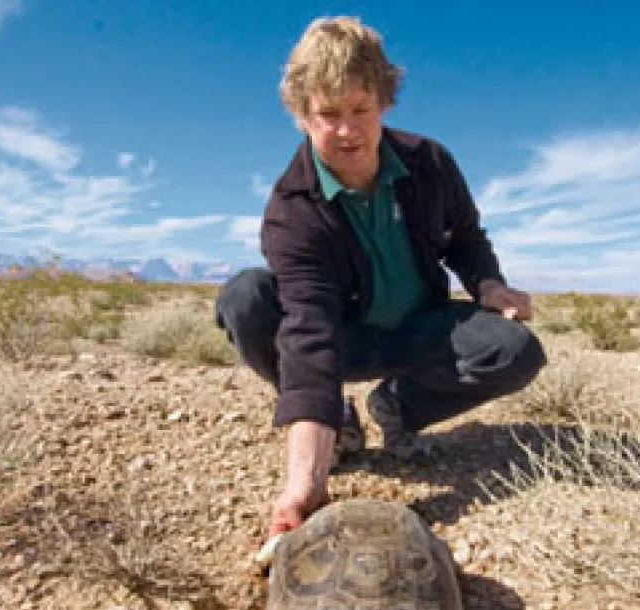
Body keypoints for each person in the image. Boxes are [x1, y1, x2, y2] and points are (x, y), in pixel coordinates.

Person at [216, 16, 546, 540]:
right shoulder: (291, 210)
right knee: (245, 298)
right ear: (301, 116)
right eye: (328, 114)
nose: (347, 131)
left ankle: (397, 405)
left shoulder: (429, 161)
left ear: (385, 102)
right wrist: (306, 482)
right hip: (342, 336)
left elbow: (464, 234)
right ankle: (336, 426)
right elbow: (309, 333)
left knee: (514, 350)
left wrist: (486, 282)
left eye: (360, 110)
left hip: (420, 327)